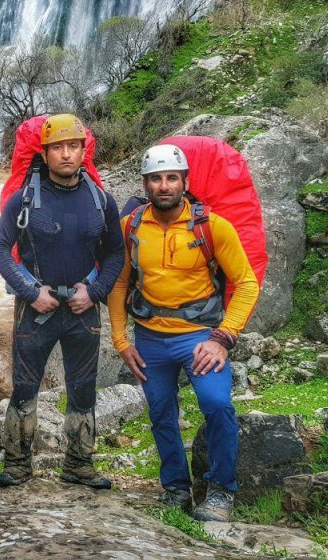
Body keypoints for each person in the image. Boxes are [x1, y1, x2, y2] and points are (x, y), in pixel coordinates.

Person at [107, 144, 260, 521]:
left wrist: (223, 338)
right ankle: (176, 488)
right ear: (145, 184)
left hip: (200, 336)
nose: (164, 186)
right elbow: (119, 285)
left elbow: (246, 283)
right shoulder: (130, 227)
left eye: (171, 178)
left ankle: (222, 491)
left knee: (218, 404)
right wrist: (121, 341)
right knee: (161, 412)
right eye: (156, 178)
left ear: (184, 182)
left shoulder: (212, 226)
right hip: (149, 338)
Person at [0, 114, 125, 490]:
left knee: (83, 388)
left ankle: (79, 464)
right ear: (45, 153)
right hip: (35, 309)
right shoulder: (25, 198)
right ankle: (17, 465)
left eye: (73, 146)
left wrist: (93, 293)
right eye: (57, 148)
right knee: (24, 387)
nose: (66, 154)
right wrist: (31, 292)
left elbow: (116, 254)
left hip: (83, 309)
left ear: (84, 150)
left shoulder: (101, 200)